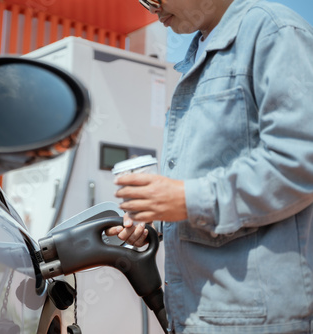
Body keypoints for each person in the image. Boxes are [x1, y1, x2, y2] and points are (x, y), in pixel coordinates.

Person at [106, 0, 313, 332]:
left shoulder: (272, 31)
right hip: (197, 313)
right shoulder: (196, 58)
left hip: (257, 320)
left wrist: (187, 199)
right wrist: (158, 215)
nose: (151, 8)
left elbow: (299, 161)